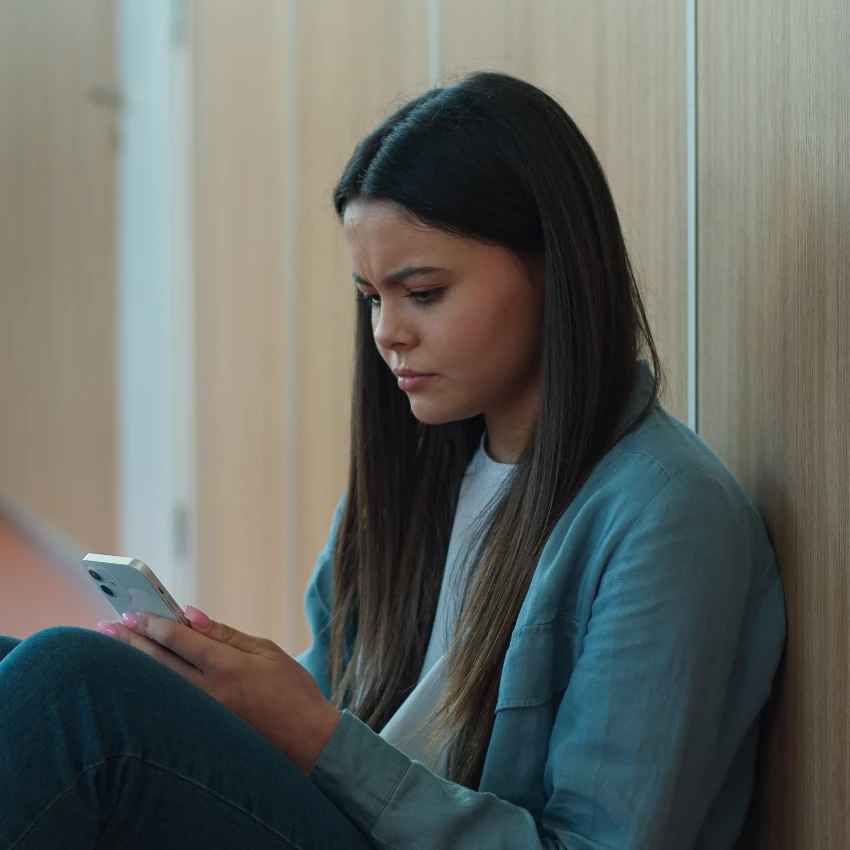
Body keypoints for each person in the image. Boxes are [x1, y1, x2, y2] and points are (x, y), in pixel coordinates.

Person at [0, 71, 785, 850]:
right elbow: (342, 700)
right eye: (373, 297)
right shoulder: (418, 481)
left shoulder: (669, 516)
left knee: (68, 686)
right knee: (28, 666)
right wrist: (223, 691)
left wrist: (310, 731)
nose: (388, 333)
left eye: (424, 292)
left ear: (551, 266)